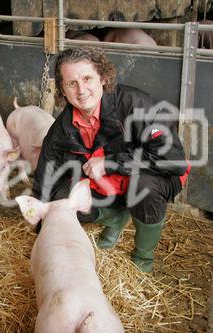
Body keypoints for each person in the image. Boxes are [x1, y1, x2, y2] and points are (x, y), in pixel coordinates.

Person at [32, 46, 190, 273]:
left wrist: (110, 163)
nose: (81, 90)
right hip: (108, 182)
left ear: (103, 79)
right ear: (62, 91)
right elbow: (45, 181)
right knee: (62, 201)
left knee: (144, 186)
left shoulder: (137, 104)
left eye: (87, 78)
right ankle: (115, 218)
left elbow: (172, 159)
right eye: (71, 83)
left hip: (154, 174)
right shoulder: (61, 130)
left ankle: (142, 258)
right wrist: (42, 234)